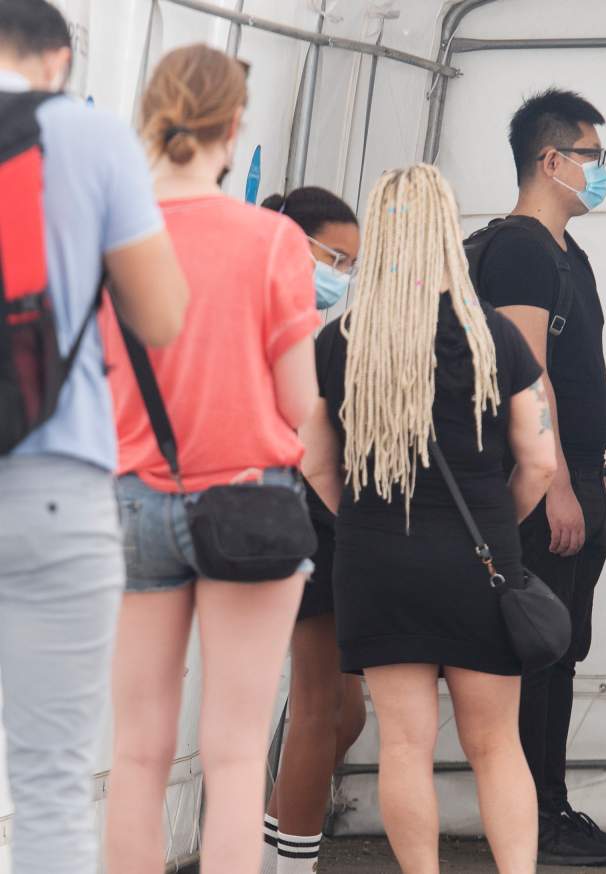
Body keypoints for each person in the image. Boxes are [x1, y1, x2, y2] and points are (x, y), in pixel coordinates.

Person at [98, 45, 320, 874]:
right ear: (234, 126)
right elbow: (299, 400)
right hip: (249, 503)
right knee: (231, 757)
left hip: (130, 501)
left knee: (138, 751)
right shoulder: (271, 241)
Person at [300, 164, 556, 874]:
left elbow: (316, 463)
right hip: (481, 561)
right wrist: (492, 521)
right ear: (447, 231)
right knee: (496, 746)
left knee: (404, 746)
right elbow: (539, 462)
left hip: (377, 563)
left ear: (380, 237)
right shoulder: (495, 340)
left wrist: (365, 526)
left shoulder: (341, 341)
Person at [0, 2, 187, 871]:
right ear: (61, 59)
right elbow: (159, 316)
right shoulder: (92, 136)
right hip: (54, 485)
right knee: (49, 783)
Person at [471, 87, 606, 865]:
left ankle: (553, 805)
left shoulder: (572, 255)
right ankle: (529, 819)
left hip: (580, 476)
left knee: (564, 649)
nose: (601, 173)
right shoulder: (518, 248)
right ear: (551, 159)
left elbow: (579, 376)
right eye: (593, 158)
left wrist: (597, 483)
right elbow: (525, 377)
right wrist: (559, 483)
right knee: (535, 650)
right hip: (541, 484)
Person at [259, 187, 365, 874]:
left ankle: (272, 847)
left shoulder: (315, 329)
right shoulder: (269, 324)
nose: (344, 275)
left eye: (353, 263)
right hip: (293, 526)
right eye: (335, 257)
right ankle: (287, 862)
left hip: (327, 528)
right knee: (320, 709)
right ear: (292, 244)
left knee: (341, 713)